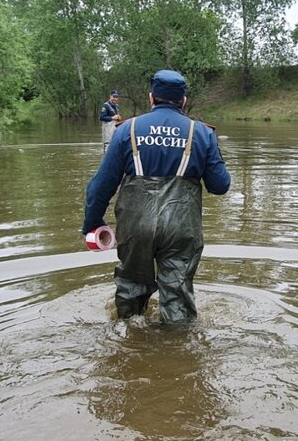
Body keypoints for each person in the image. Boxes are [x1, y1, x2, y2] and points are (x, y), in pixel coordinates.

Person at [83, 70, 231, 323]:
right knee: (178, 292)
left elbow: (100, 186)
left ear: (151, 98)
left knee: (131, 286)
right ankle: (177, 348)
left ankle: (128, 338)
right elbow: (220, 186)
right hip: (181, 227)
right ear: (183, 101)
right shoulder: (203, 133)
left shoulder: (126, 130)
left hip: (135, 224)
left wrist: (92, 222)